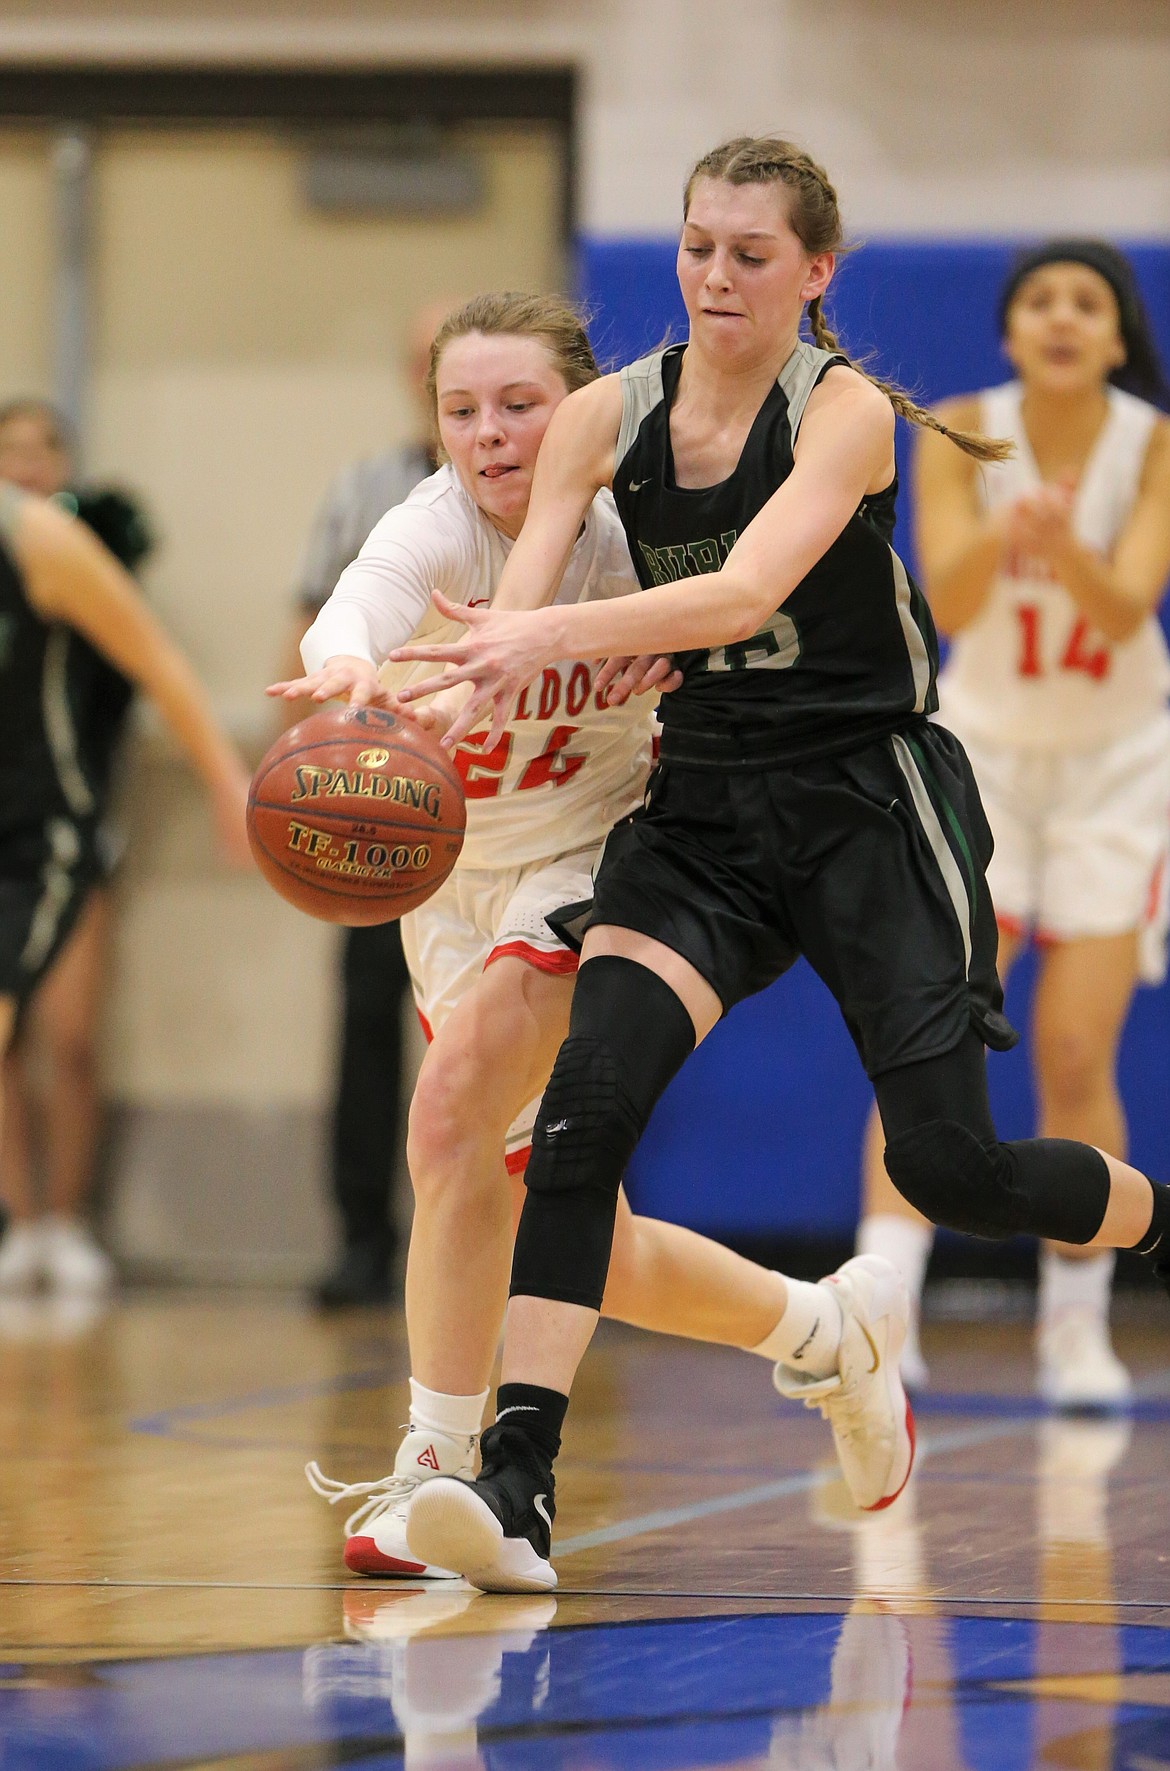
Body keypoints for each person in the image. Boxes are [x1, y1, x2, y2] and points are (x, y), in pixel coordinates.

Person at [380, 136, 1170, 1595]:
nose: (714, 275)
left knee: (951, 1164)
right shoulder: (605, 415)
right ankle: (515, 1478)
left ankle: (1155, 1219)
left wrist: (528, 640)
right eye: (694, 245)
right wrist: (411, 689)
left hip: (868, 797)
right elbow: (522, 595)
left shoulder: (848, 412)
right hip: (706, 813)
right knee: (582, 1114)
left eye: (750, 253)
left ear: (814, 272)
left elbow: (738, 590)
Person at [271, 290, 914, 1580]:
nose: (491, 434)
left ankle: (438, 1464)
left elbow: (750, 633)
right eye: (463, 409)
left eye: (520, 406)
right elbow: (356, 605)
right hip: (453, 891)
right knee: (568, 1234)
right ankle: (821, 1331)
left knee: (448, 1116)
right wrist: (344, 670)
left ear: (574, 410)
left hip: (595, 858)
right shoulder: (430, 528)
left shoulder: (633, 525)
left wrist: (667, 664)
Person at [856, 242, 1170, 1407]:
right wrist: (1009, 528)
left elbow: (1130, 601)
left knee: (1078, 1050)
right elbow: (953, 598)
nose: (1061, 317)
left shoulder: (1152, 444)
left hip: (1114, 766)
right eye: (1039, 299)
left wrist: (1065, 541)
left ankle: (1076, 1326)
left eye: (1086, 302)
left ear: (1118, 337)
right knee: (934, 1029)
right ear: (1010, 330)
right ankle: (882, 1306)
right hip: (983, 756)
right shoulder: (954, 427)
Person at [0, 475, 252, 1261]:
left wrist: (224, 780)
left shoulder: (34, 539)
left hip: (36, 836)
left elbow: (155, 657)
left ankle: (56, 1221)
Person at [280, 301, 455, 1310]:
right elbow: (311, 625)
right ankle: (360, 1235)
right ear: (412, 375)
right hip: (378, 796)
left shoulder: (567, 493)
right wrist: (289, 765)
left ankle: (543, 1237)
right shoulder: (365, 491)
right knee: (366, 1018)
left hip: (521, 788)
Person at [0, 399, 171, 1294]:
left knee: (69, 1036)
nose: (27, 466)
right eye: (10, 451)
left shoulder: (86, 555)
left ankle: (65, 1220)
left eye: (44, 450)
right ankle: (18, 1223)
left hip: (63, 827)